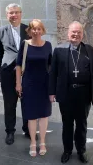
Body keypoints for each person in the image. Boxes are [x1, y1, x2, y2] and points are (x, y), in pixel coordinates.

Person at [49, 21, 93, 164]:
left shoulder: (91, 51)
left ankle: (81, 150)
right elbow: (53, 73)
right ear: (68, 33)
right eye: (73, 32)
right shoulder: (59, 50)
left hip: (84, 94)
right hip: (66, 93)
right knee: (67, 124)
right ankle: (67, 150)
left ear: (82, 34)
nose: (76, 34)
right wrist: (51, 92)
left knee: (82, 124)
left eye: (79, 32)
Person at [0, 3, 31, 145]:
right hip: (8, 75)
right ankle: (10, 131)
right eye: (11, 13)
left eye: (16, 12)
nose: (14, 15)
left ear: (21, 14)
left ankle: (28, 128)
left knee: (27, 103)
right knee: (10, 104)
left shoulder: (29, 30)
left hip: (27, 75)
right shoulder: (0, 31)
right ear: (6, 15)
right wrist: (2, 72)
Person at [15, 19, 53, 157]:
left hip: (44, 84)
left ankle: (42, 141)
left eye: (38, 29)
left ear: (42, 30)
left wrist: (53, 86)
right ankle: (32, 142)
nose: (36, 31)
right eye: (33, 29)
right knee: (31, 115)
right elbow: (18, 65)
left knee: (43, 114)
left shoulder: (48, 45)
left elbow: (51, 66)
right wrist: (18, 84)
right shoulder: (25, 45)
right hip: (29, 84)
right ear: (29, 31)